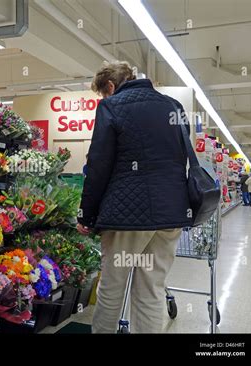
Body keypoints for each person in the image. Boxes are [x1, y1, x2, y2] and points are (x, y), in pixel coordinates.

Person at [77, 61, 193, 334]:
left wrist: (87, 214)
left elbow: (98, 165)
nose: (105, 98)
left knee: (112, 289)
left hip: (126, 218)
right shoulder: (173, 106)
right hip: (171, 213)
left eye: (104, 93)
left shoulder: (111, 106)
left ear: (110, 86)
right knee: (151, 289)